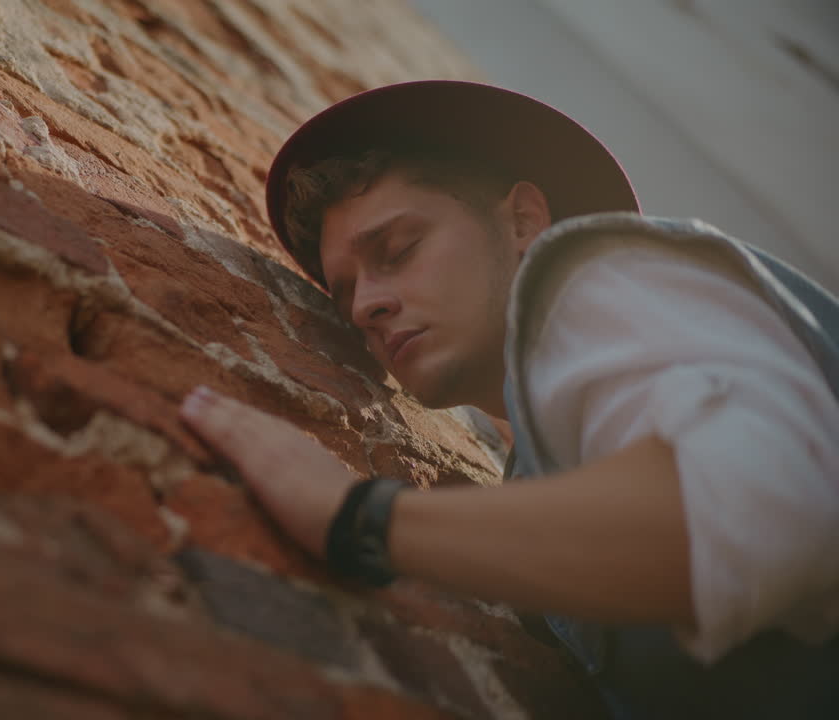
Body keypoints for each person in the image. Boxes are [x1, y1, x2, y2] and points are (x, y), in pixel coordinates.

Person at [177, 81, 839, 718]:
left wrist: (357, 517)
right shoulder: (535, 473)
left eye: (398, 249)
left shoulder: (597, 276)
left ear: (524, 220)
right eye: (343, 296)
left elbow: (769, 514)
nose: (366, 305)